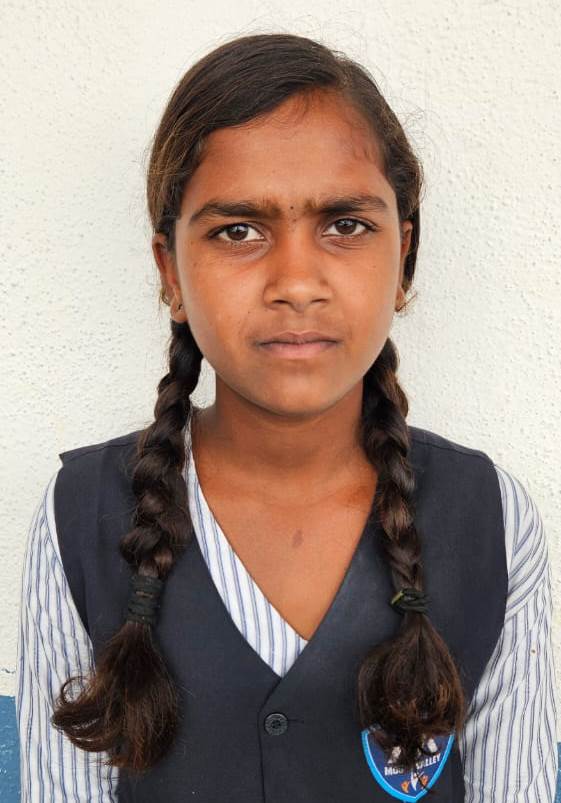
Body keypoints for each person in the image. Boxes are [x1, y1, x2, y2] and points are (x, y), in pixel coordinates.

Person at [15, 32, 557, 802]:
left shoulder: (491, 520)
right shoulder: (80, 516)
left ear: (402, 258)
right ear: (171, 271)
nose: (296, 282)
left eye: (345, 225)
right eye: (238, 230)